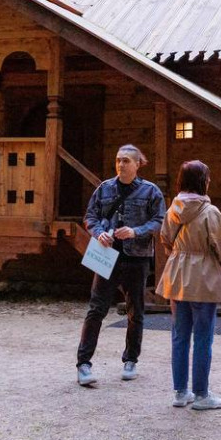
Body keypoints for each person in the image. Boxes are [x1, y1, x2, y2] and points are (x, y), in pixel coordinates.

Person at [76, 145, 165, 386]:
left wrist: (136, 231)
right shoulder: (104, 188)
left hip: (136, 257)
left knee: (136, 310)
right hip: (106, 254)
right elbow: (90, 217)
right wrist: (98, 233)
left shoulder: (151, 192)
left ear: (138, 164)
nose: (120, 165)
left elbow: (159, 220)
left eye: (126, 161)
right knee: (96, 309)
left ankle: (131, 360)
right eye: (118, 160)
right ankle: (83, 364)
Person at [158, 160, 221, 411]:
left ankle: (181, 392)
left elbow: (165, 240)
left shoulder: (173, 209)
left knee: (180, 335)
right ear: (204, 181)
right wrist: (220, 265)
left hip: (177, 274)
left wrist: (180, 255)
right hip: (203, 276)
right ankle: (202, 394)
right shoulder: (210, 212)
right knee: (203, 337)